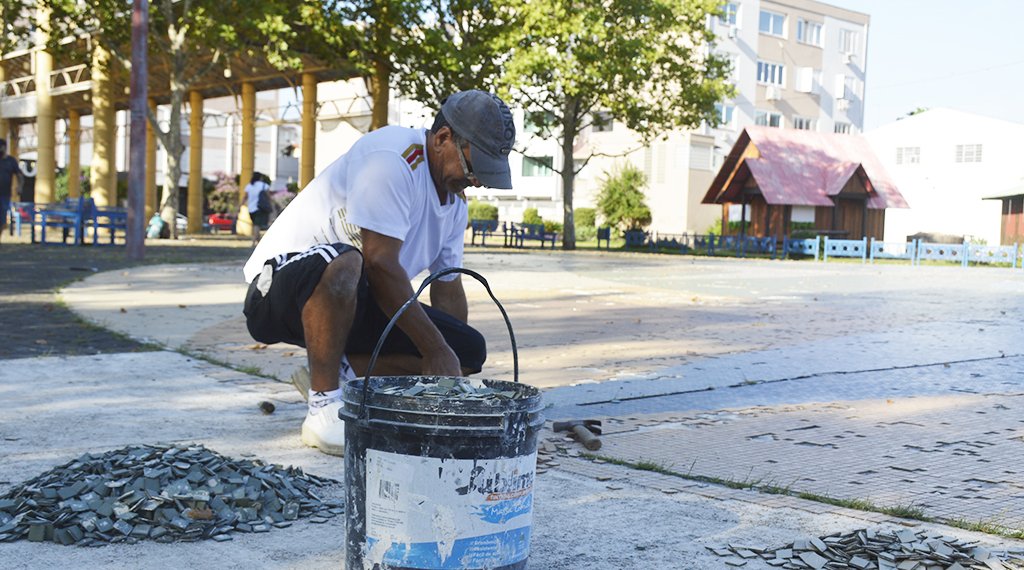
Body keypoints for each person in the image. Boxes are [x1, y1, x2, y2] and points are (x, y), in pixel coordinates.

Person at [241, 90, 516, 456]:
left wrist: (451, 372)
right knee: (347, 262)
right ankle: (323, 408)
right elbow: (381, 264)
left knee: (467, 350)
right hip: (279, 290)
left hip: (355, 299)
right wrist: (432, 348)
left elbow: (447, 288)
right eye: (472, 169)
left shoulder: (454, 205)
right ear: (443, 138)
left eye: (483, 175)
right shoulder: (392, 159)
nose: (477, 182)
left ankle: (343, 375)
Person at [0, 140, 25, 245]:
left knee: (2, 219)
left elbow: (19, 175)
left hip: (5, 194)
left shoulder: (11, 161)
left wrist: (20, 187)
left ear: (4, 148)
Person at [244, 172, 272, 245]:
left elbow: (245, 197)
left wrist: (240, 206)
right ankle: (253, 242)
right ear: (260, 178)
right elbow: (269, 197)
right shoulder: (264, 185)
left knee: (255, 225)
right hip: (259, 207)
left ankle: (258, 242)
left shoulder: (249, 186)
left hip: (250, 208)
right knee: (257, 225)